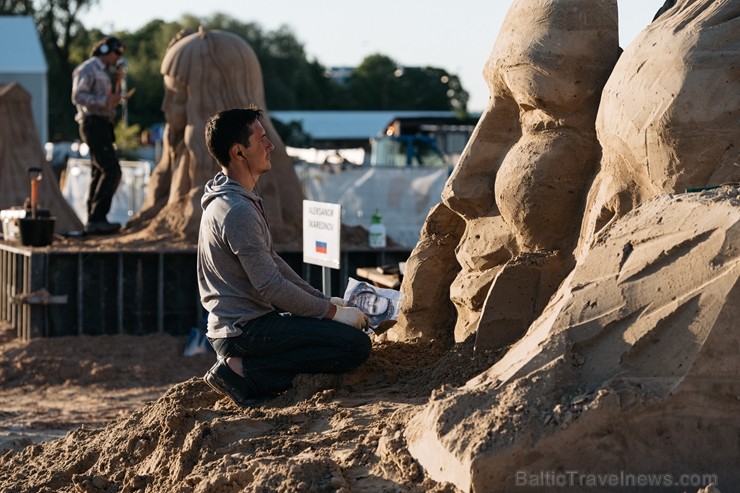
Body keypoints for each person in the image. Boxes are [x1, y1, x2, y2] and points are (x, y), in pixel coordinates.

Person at [198, 107, 372, 408]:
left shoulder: (236, 199)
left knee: (333, 331)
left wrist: (324, 301)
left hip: (243, 324)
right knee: (353, 346)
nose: (271, 146)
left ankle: (243, 365)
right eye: (262, 139)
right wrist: (332, 314)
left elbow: (274, 263)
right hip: (243, 330)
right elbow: (271, 287)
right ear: (239, 152)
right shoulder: (237, 211)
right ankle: (243, 372)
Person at [71, 36, 125, 234]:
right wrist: (105, 99)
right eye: (116, 53)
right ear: (104, 49)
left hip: (103, 124)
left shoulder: (105, 72)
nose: (117, 57)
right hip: (92, 123)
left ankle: (93, 220)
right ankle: (97, 218)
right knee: (112, 170)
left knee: (99, 172)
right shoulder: (88, 68)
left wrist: (117, 84)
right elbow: (78, 96)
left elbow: (109, 101)